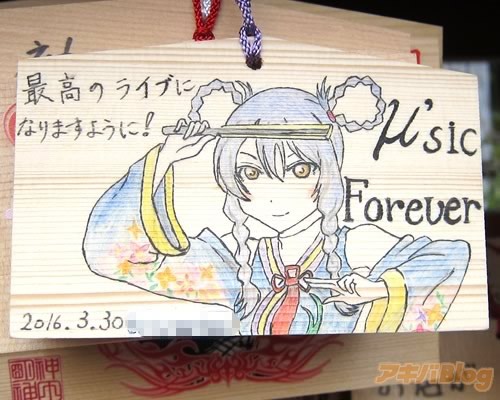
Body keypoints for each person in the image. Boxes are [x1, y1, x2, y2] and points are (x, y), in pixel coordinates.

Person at [83, 77, 470, 335]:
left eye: (299, 169)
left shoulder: (359, 245)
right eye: (251, 173)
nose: (274, 194)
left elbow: (453, 256)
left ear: (328, 171)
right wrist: (164, 159)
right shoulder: (236, 263)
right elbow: (112, 256)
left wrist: (381, 288)